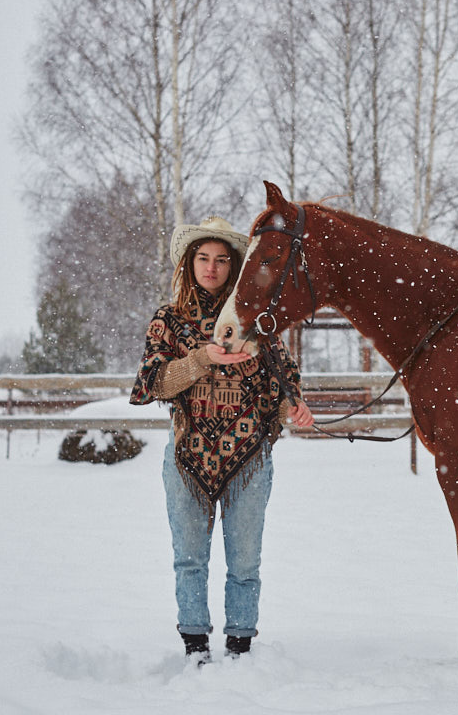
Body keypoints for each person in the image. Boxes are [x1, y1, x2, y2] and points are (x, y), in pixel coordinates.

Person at [130, 215, 314, 664]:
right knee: (189, 560)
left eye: (220, 260)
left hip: (249, 458)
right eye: (203, 259)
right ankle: (195, 647)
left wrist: (295, 407)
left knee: (245, 563)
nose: (211, 268)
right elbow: (152, 382)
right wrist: (198, 360)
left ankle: (239, 647)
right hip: (187, 458)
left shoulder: (255, 322)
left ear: (233, 267)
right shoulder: (169, 320)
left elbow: (283, 383)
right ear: (189, 263)